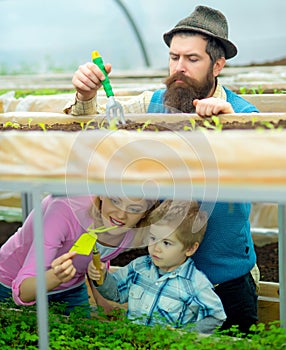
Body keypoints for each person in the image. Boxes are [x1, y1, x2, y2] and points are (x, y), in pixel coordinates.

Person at [66, 5, 259, 334]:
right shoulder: (152, 103)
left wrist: (231, 125)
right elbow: (97, 124)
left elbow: (260, 162)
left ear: (219, 64)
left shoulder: (242, 112)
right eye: (174, 57)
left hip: (224, 282)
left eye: (192, 59)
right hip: (160, 278)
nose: (179, 68)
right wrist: (85, 96)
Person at [0, 194, 158, 315]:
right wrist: (56, 277)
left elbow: (96, 259)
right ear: (101, 193)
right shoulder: (63, 210)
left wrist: (103, 303)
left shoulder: (135, 230)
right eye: (115, 200)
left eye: (134, 209)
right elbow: (22, 292)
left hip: (70, 289)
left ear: (146, 212)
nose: (121, 215)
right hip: (12, 283)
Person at [88, 200, 226, 334]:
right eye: (153, 238)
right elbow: (116, 292)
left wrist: (185, 336)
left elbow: (215, 316)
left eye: (166, 243)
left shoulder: (195, 284)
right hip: (135, 342)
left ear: (190, 249)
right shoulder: (139, 267)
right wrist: (102, 277)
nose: (156, 248)